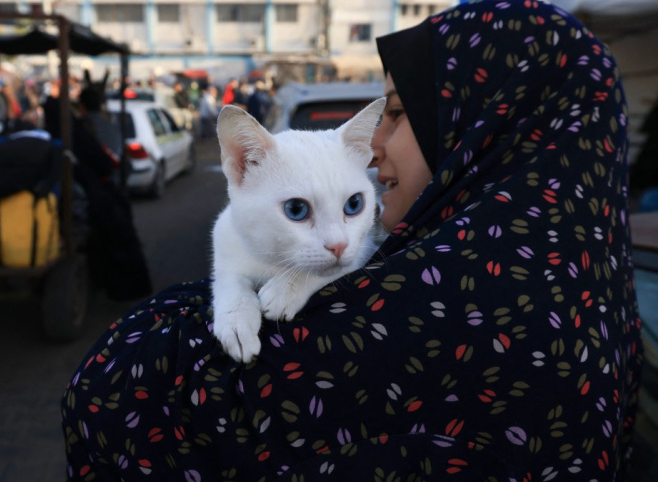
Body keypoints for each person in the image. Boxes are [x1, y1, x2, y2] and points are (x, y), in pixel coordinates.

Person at [60, 1, 642, 480]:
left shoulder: (440, 315)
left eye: (397, 114)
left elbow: (117, 401)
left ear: (482, 122)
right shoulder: (590, 294)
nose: (375, 147)